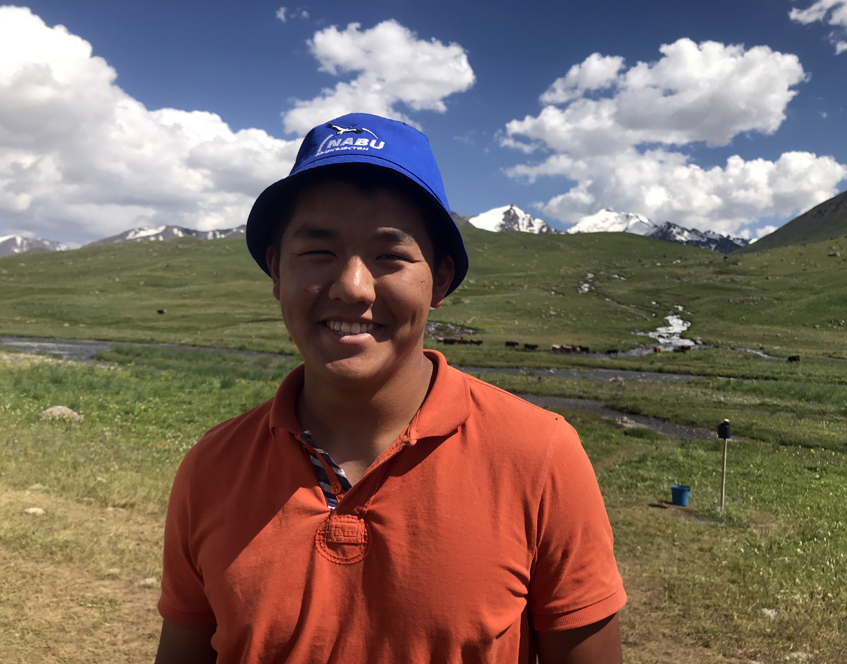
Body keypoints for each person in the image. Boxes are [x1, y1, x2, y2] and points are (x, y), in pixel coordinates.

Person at [154, 113, 626, 664]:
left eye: (390, 257)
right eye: (318, 252)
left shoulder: (540, 456)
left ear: (440, 279)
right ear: (276, 271)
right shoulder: (211, 467)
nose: (352, 287)